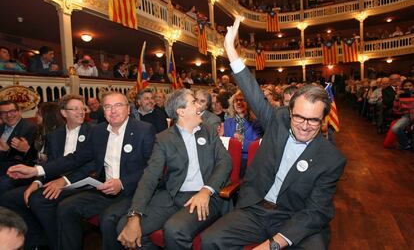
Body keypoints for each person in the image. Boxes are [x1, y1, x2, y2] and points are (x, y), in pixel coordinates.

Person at [201, 16, 346, 250]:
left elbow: (317, 211)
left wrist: (274, 244)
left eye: (314, 120)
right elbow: (253, 94)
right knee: (210, 240)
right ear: (289, 113)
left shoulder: (331, 158)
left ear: (323, 120)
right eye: (299, 117)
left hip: (295, 217)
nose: (305, 125)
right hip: (256, 210)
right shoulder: (278, 120)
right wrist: (230, 50)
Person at [7, 91, 156, 250]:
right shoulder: (99, 131)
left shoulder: (144, 130)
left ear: (128, 109)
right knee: (67, 208)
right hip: (104, 189)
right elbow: (75, 158)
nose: (113, 111)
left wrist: (122, 183)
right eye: (107, 106)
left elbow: (152, 169)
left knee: (108, 219)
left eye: (118, 105)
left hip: (133, 190)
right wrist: (36, 171)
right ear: (102, 111)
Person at [117, 89, 232, 250]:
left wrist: (206, 191)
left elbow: (225, 162)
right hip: (173, 196)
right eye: (194, 102)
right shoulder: (164, 138)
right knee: (125, 225)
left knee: (174, 229)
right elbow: (150, 177)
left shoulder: (208, 131)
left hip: (204, 197)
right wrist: (134, 214)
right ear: (181, 111)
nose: (199, 105)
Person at [0, 95, 91, 250]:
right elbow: (52, 164)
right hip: (55, 178)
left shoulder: (94, 130)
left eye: (82, 108)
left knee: (39, 200)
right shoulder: (55, 135)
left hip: (82, 180)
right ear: (63, 112)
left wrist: (62, 180)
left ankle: (54, 244)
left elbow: (85, 162)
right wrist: (37, 182)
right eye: (75, 108)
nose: (81, 111)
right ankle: (36, 240)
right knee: (10, 198)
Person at [223, 90, 261, 177]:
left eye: (242, 100)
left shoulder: (256, 123)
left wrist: (243, 141)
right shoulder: (228, 122)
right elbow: (226, 144)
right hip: (229, 159)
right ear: (233, 104)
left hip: (248, 160)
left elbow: (256, 146)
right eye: (236, 100)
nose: (239, 103)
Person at [0, 100, 37, 176]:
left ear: (19, 111)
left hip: (12, 172)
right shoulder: (1, 127)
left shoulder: (30, 128)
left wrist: (7, 150)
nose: (9, 115)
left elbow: (30, 159)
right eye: (4, 113)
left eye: (12, 111)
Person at [391, 79, 414, 150]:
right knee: (395, 128)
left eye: (410, 85)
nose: (408, 87)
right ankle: (406, 143)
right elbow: (395, 110)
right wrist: (397, 98)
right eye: (406, 86)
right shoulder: (401, 95)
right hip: (406, 116)